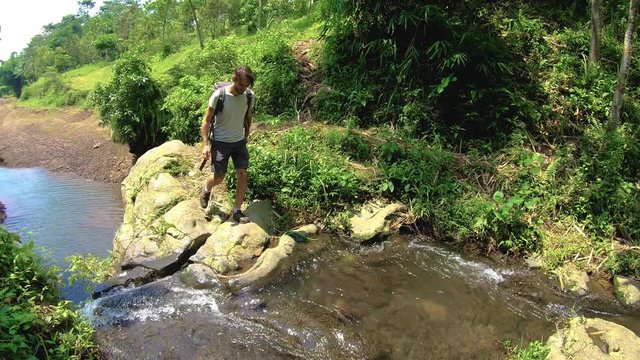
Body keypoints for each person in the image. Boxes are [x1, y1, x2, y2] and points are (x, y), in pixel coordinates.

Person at [199, 66, 255, 224]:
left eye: (246, 86)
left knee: (243, 173)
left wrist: (246, 135)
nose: (243, 89)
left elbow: (248, 116)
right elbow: (206, 121)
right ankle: (206, 190)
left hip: (239, 142)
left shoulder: (249, 95)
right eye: (240, 85)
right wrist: (205, 145)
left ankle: (237, 210)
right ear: (234, 79)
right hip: (221, 142)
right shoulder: (219, 95)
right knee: (218, 178)